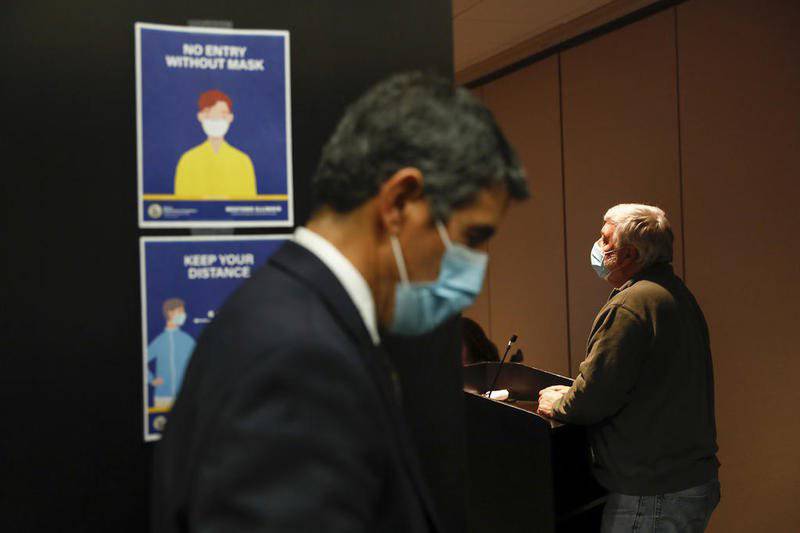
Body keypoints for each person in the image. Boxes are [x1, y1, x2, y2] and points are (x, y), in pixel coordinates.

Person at [152, 72, 528, 533]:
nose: (475, 268)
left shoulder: (289, 314)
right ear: (400, 202)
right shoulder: (300, 357)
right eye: (471, 237)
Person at [537, 204, 720, 532]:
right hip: (687, 481)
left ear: (629, 254)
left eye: (605, 239)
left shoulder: (631, 305)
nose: (598, 246)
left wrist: (560, 403)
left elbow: (597, 395)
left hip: (651, 492)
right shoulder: (675, 294)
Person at [174, 89, 257, 198]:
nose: (216, 118)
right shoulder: (188, 160)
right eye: (209, 112)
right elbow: (181, 203)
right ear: (200, 116)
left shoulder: (243, 161)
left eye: (222, 113)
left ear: (230, 117)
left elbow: (249, 204)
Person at [147, 298, 196, 409]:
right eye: (180, 312)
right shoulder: (160, 341)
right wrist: (151, 379)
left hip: (186, 396)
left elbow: (199, 362)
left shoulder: (187, 340)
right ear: (170, 313)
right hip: (163, 397)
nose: (183, 315)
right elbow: (143, 359)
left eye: (183, 312)